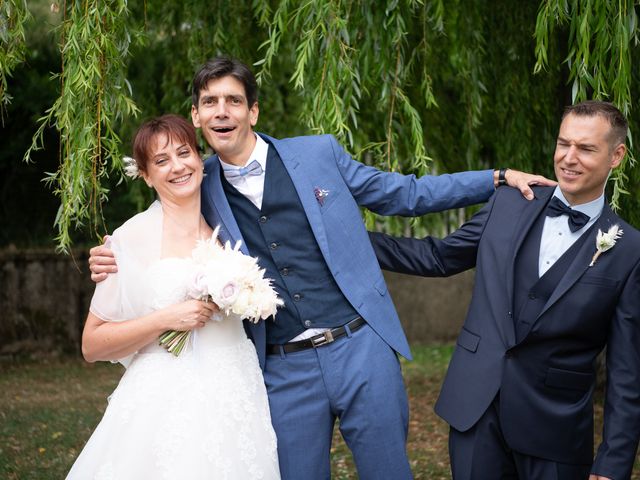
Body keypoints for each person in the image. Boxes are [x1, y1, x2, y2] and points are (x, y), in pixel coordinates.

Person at [88, 56, 555, 479]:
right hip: (281, 368)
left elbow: (406, 194)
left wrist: (494, 178)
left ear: (253, 111)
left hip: (361, 348)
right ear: (196, 116)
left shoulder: (317, 154)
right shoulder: (197, 181)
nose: (221, 111)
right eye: (210, 102)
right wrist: (113, 254)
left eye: (233, 100)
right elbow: (164, 229)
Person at [370, 100, 640, 480]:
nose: (568, 158)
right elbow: (437, 257)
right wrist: (346, 240)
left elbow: (628, 371)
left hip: (555, 431)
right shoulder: (510, 203)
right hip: (474, 412)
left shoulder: (630, 250)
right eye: (563, 144)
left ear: (616, 155)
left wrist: (614, 460)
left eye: (586, 148)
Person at [67, 115, 281, 480]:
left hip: (237, 392)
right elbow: (92, 344)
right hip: (166, 404)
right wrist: (167, 319)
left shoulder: (227, 227)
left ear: (201, 160)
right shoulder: (130, 238)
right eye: (162, 161)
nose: (178, 166)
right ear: (147, 175)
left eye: (185, 153)